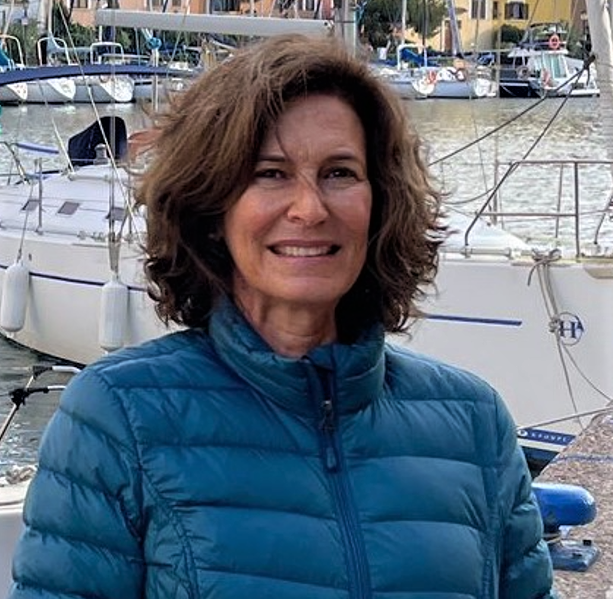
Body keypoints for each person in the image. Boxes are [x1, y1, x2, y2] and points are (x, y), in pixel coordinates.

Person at [10, 34, 556, 599]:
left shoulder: (474, 424)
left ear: (381, 202)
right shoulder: (119, 419)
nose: (309, 208)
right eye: (270, 173)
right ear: (213, 206)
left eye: (339, 173)